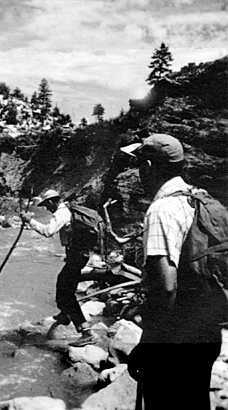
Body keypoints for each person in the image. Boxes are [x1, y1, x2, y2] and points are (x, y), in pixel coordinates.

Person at [122, 133, 224, 409]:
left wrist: (147, 346)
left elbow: (165, 287)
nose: (138, 172)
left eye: (140, 164)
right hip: (207, 333)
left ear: (150, 168)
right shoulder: (199, 199)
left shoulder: (161, 210)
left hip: (175, 339)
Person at [20, 189, 97, 347]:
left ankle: (86, 332)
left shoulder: (62, 213)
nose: (47, 209)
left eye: (47, 205)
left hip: (77, 256)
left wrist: (30, 221)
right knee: (63, 285)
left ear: (51, 202)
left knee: (67, 293)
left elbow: (48, 231)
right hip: (78, 255)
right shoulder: (67, 210)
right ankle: (65, 314)